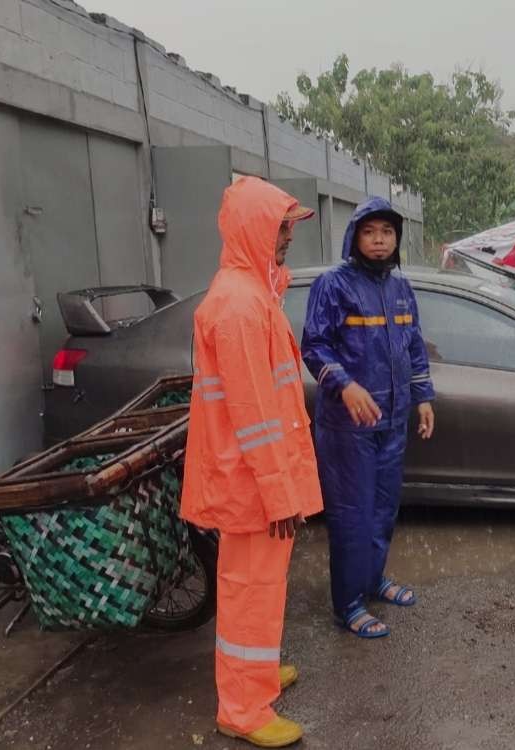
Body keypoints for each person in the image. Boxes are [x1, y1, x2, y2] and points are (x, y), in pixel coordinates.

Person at [181, 176, 323, 748]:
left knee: (260, 586)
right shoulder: (240, 305)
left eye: (290, 226)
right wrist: (280, 494)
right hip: (254, 483)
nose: (288, 236)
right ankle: (242, 709)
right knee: (248, 589)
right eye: (280, 226)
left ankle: (256, 677)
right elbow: (255, 414)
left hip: (256, 478)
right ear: (253, 229)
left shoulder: (249, 293)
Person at [301, 198, 435, 638]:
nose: (379, 240)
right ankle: (348, 603)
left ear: (396, 241)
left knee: (382, 510)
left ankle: (373, 580)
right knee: (351, 515)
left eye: (387, 233)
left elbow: (414, 346)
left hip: (392, 422)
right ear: (354, 236)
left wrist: (423, 398)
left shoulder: (401, 288)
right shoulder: (332, 285)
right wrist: (346, 384)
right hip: (347, 428)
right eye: (370, 232)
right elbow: (315, 345)